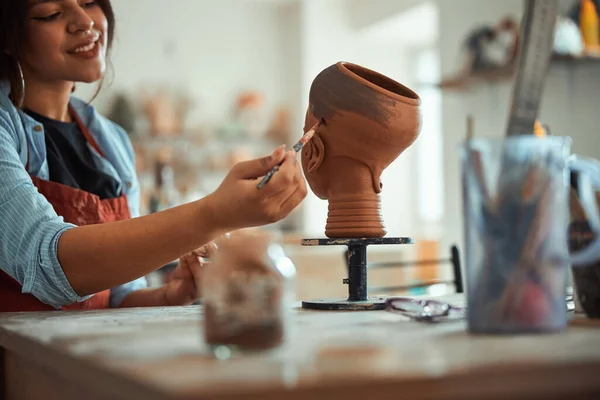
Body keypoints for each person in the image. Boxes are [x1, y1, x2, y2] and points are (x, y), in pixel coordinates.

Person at [0, 0, 307, 312]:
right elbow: (46, 265)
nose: (84, 21)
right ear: (9, 36)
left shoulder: (110, 140)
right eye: (51, 13)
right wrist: (215, 214)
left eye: (89, 2)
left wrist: (167, 296)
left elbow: (117, 295)